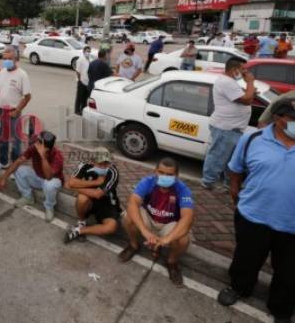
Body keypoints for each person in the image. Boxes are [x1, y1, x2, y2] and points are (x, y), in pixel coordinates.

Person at [217, 98, 295, 322]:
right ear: (279, 119)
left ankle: (281, 308)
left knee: (289, 271)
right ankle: (239, 287)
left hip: (292, 224)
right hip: (253, 216)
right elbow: (235, 169)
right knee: (246, 258)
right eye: (293, 120)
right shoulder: (253, 139)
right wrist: (235, 191)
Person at [118, 157, 194, 287]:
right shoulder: (147, 182)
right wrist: (144, 231)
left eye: (169, 174)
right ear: (155, 171)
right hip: (149, 219)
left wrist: (167, 239)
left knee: (183, 239)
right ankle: (134, 245)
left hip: (169, 224)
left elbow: (188, 218)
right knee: (128, 216)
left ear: (176, 175)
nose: (164, 176)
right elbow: (132, 203)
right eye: (161, 172)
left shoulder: (183, 189)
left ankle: (171, 262)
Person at [201, 57, 255, 190]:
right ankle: (208, 182)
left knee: (230, 159)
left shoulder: (230, 82)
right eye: (242, 69)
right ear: (234, 69)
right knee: (218, 156)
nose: (245, 72)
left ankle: (228, 184)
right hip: (226, 127)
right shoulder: (226, 82)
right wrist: (250, 83)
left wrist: (250, 90)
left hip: (233, 128)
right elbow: (247, 100)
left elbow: (245, 97)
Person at [0, 130, 64, 222]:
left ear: (45, 148)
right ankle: (28, 197)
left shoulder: (58, 156)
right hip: (38, 177)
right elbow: (18, 161)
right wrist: (4, 177)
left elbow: (49, 177)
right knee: (19, 169)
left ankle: (49, 207)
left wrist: (43, 157)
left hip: (53, 180)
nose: (36, 143)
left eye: (38, 142)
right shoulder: (34, 148)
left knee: (49, 185)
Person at [63, 147, 120, 243]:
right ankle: (81, 222)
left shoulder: (113, 171)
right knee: (82, 198)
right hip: (89, 199)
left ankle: (78, 231)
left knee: (111, 227)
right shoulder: (84, 165)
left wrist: (74, 187)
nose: (104, 167)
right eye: (100, 164)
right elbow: (71, 181)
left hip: (107, 203)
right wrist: (96, 182)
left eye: (106, 163)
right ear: (93, 162)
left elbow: (98, 194)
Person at [0, 47, 31, 171]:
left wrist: (17, 111)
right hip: (1, 111)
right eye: (4, 59)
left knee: (16, 142)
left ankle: (15, 167)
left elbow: (27, 96)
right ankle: (3, 161)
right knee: (2, 139)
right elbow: (0, 91)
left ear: (16, 59)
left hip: (14, 112)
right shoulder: (1, 72)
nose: (6, 61)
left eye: (9, 59)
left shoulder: (22, 75)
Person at [74, 45, 92, 115]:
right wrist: (79, 80)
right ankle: (77, 110)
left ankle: (83, 110)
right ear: (83, 51)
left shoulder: (89, 59)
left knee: (85, 97)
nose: (88, 52)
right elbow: (78, 71)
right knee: (79, 97)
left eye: (89, 51)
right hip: (81, 81)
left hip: (87, 81)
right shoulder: (80, 59)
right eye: (87, 51)